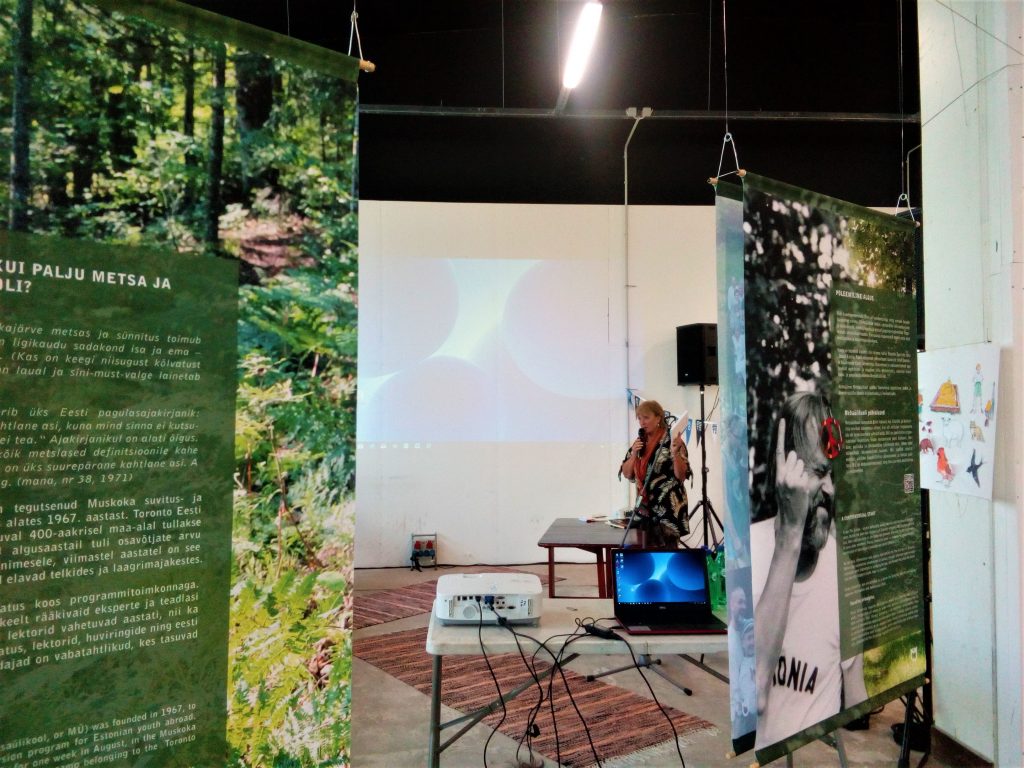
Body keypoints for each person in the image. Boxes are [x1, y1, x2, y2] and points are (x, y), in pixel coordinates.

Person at [750, 391, 867, 749]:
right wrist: (790, 535)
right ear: (785, 473)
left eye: (833, 473)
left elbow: (858, 701)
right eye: (818, 472)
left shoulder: (841, 571)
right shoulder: (748, 552)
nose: (830, 488)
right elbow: (755, 691)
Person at [618, 399, 689, 547]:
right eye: (639, 418)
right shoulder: (639, 442)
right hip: (644, 510)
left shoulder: (672, 440)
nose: (642, 422)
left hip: (667, 508)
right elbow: (627, 474)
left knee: (666, 553)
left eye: (646, 418)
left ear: (658, 418)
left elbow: (681, 475)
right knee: (642, 551)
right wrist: (634, 454)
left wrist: (675, 453)